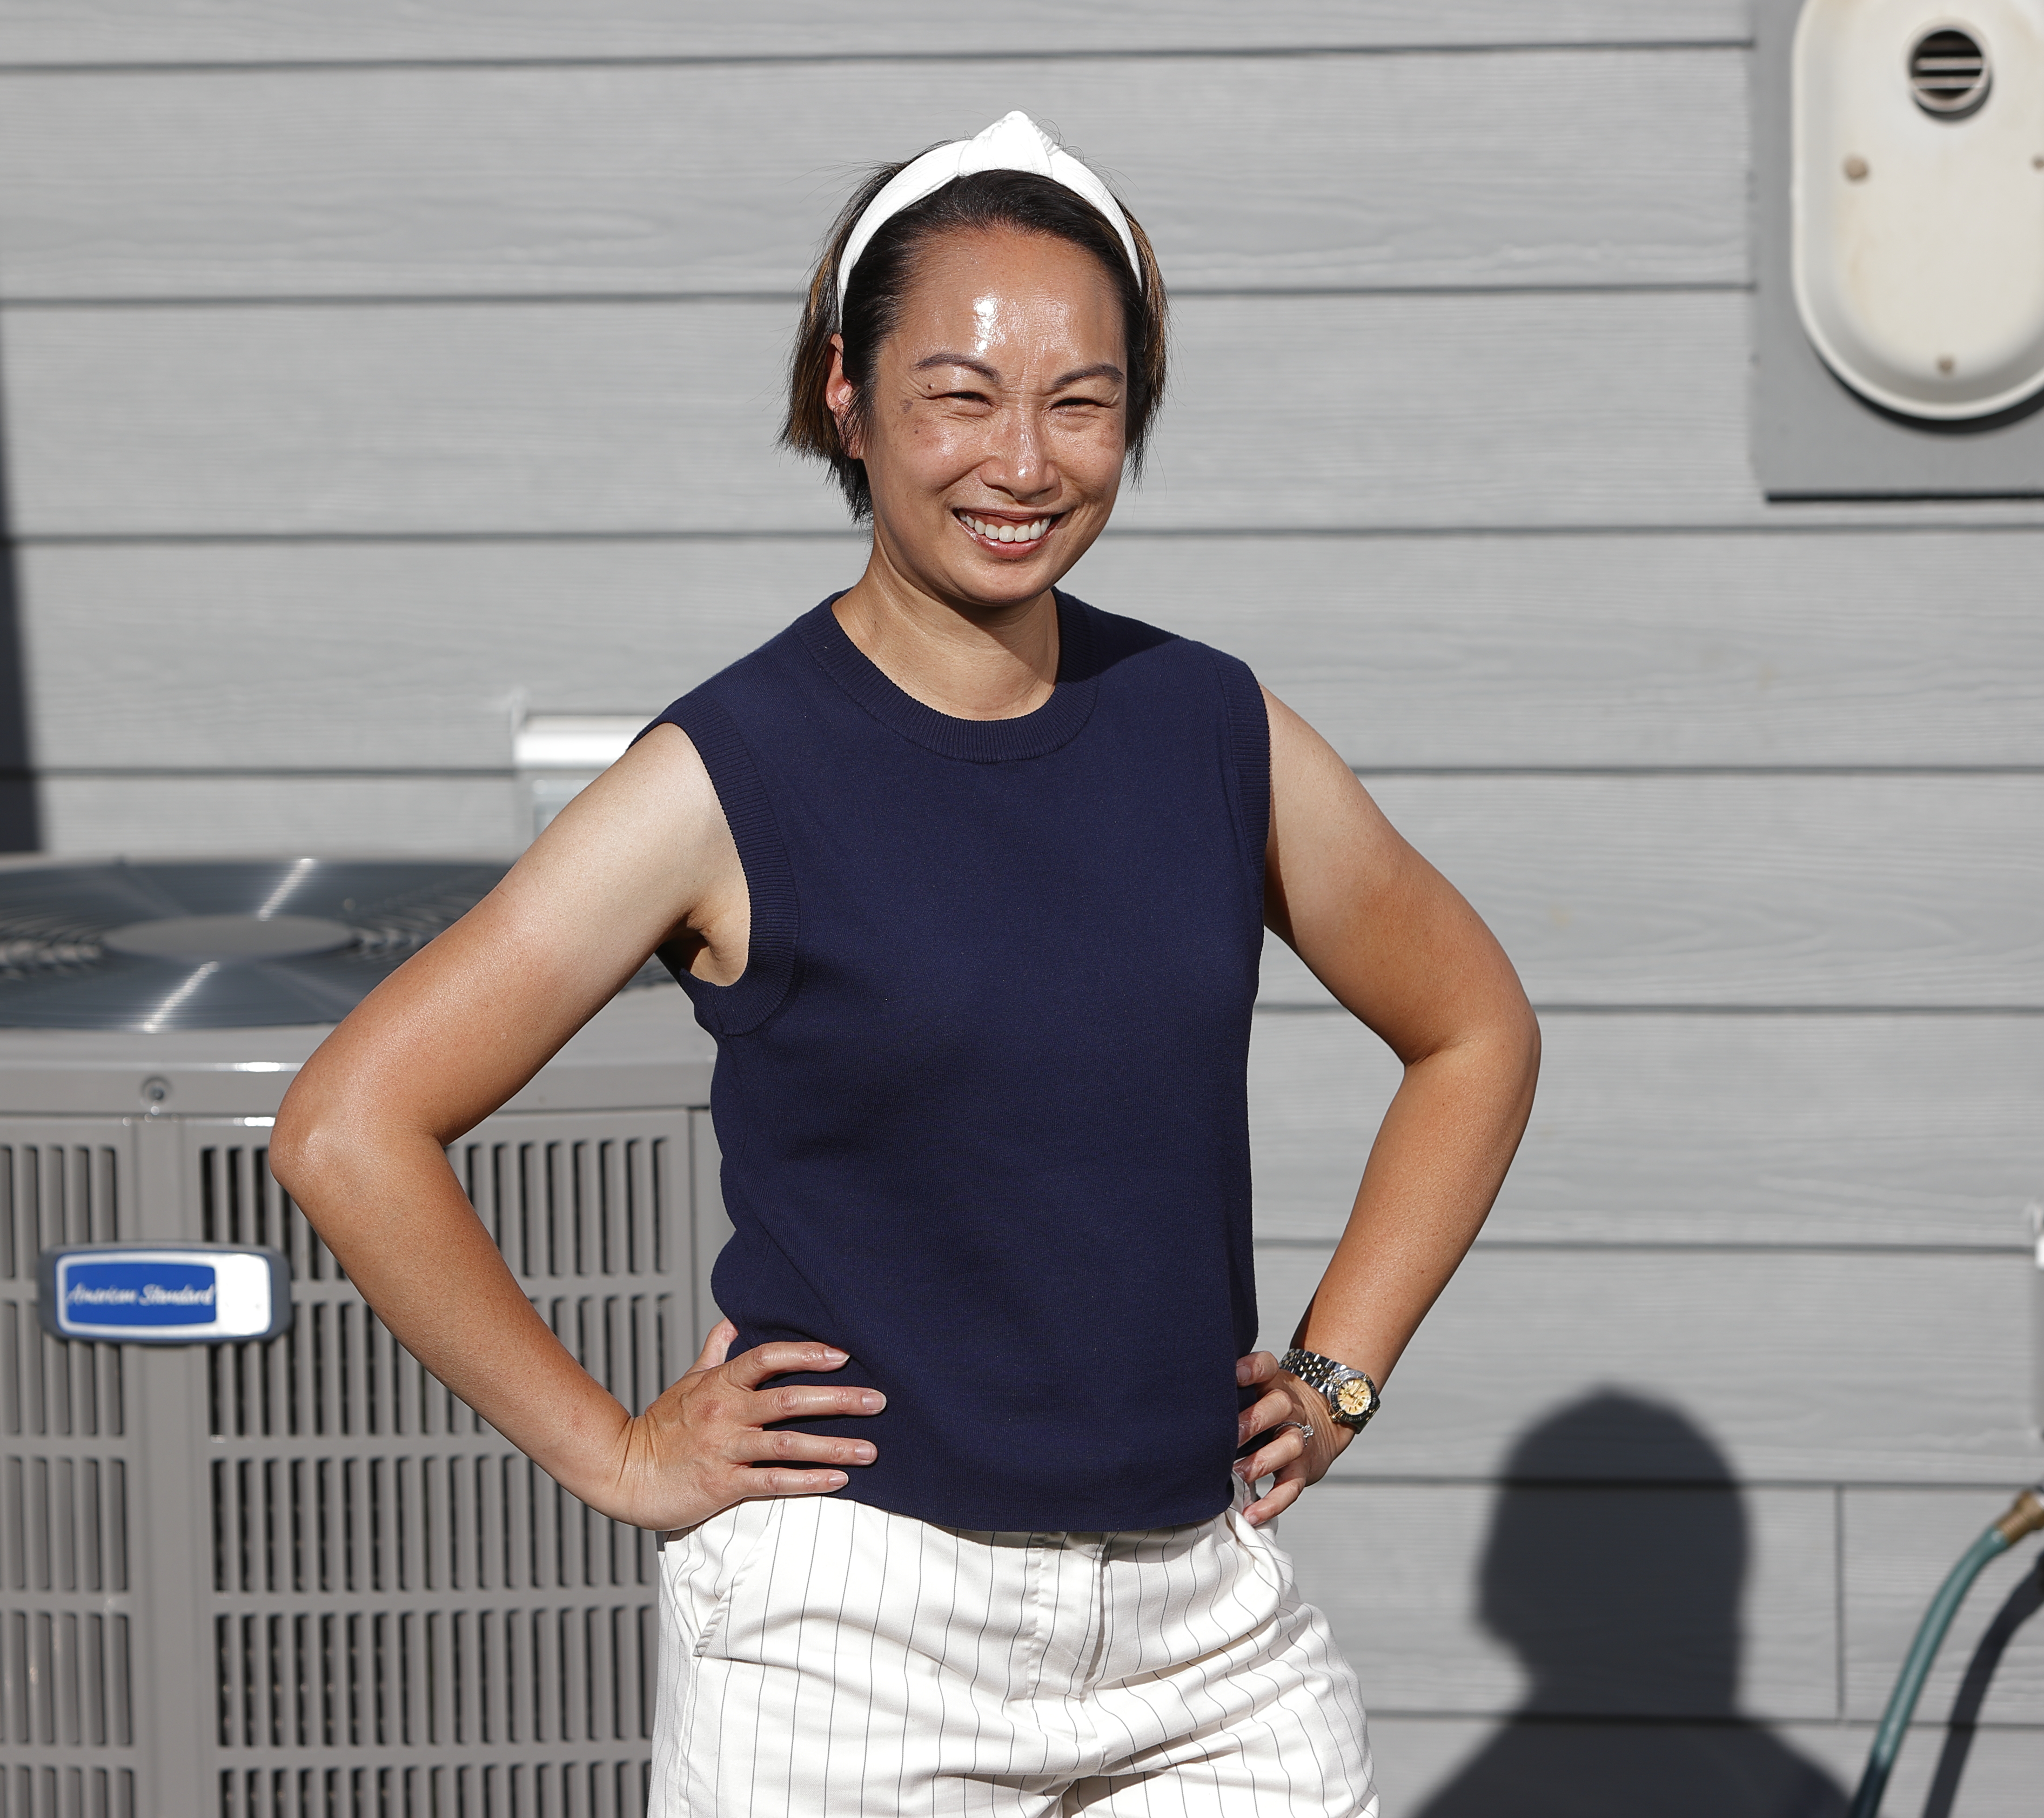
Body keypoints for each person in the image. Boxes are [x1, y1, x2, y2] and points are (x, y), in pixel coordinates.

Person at [273, 111, 1539, 1817]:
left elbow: (1474, 1030)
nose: (1022, 459)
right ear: (846, 400)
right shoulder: (724, 775)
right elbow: (350, 1127)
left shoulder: (1211, 728)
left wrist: (1337, 1370)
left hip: (1200, 1633)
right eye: (961, 392)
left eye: (1082, 401)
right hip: (849, 1635)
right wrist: (614, 1449)